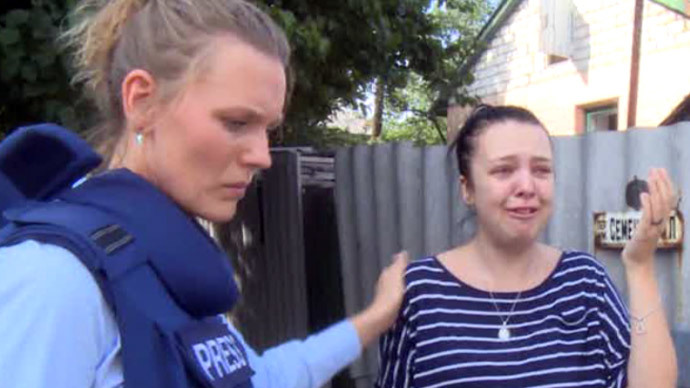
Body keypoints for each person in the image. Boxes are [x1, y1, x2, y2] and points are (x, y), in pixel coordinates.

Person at [0, 1, 408, 387]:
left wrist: (376, 316)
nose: (263, 156)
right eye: (236, 122)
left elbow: (259, 379)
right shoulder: (54, 277)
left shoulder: (165, 263)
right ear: (142, 101)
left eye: (268, 129)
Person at [376, 105, 678, 388]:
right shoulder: (418, 292)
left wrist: (640, 266)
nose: (527, 187)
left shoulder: (585, 282)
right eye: (504, 170)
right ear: (467, 189)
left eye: (541, 170)